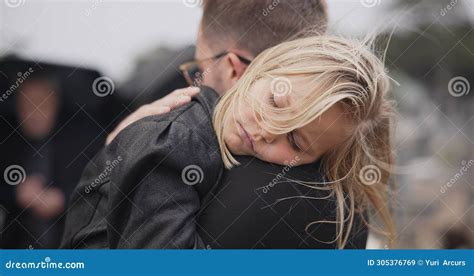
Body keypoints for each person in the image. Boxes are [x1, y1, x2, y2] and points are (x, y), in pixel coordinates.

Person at [62, 0, 377, 249]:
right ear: (251, 72)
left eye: (294, 141)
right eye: (275, 103)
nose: (267, 131)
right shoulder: (174, 139)